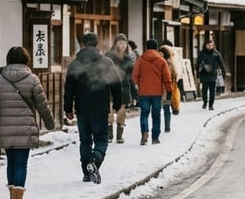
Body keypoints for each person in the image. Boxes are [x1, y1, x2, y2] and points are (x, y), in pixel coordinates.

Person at [0, 46, 55, 199]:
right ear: (26, 60)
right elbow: (42, 105)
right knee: (21, 164)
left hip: (5, 128)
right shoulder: (32, 79)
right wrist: (50, 122)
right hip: (25, 128)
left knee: (11, 162)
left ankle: (13, 196)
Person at [63, 32, 123, 184]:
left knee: (85, 141)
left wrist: (68, 108)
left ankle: (86, 172)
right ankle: (94, 161)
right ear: (97, 44)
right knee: (101, 139)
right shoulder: (106, 62)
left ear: (82, 44)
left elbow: (69, 88)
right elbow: (116, 84)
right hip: (100, 107)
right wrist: (117, 104)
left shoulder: (75, 64)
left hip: (82, 108)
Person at [132, 38, 172, 145]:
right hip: (157, 93)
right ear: (157, 48)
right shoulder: (161, 60)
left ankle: (144, 132)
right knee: (156, 115)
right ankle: (155, 138)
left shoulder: (140, 60)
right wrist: (169, 91)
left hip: (143, 92)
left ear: (146, 47)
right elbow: (167, 78)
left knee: (144, 114)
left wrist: (137, 87)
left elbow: (134, 75)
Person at [106, 33, 136, 144]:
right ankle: (109, 135)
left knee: (121, 113)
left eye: (124, 43)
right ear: (115, 43)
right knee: (109, 112)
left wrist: (134, 92)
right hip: (110, 87)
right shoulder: (108, 56)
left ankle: (119, 136)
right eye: (120, 42)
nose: (122, 45)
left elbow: (132, 77)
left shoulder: (128, 58)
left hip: (124, 89)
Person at [197, 37, 228, 109]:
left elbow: (221, 63)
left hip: (213, 73)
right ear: (205, 45)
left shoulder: (216, 53)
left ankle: (211, 105)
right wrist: (198, 75)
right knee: (204, 90)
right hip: (204, 73)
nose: (210, 46)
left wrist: (224, 72)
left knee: (212, 90)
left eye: (211, 45)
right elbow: (198, 64)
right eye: (208, 45)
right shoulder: (202, 53)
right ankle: (205, 102)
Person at [159, 42, 182, 132]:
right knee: (159, 109)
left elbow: (175, 75)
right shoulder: (158, 62)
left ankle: (167, 126)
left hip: (167, 88)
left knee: (166, 108)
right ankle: (160, 126)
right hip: (158, 88)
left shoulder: (170, 64)